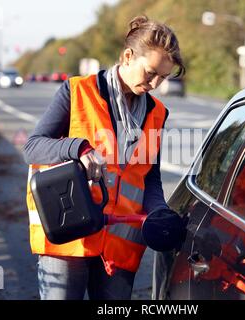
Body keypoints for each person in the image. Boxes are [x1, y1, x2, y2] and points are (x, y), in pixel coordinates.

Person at [24, 15, 185, 300]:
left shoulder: (157, 112)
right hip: (70, 238)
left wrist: (158, 210)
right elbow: (34, 147)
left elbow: (150, 176)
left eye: (163, 77)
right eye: (150, 73)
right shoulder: (76, 92)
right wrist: (79, 148)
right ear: (127, 56)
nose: (155, 83)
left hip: (120, 244)